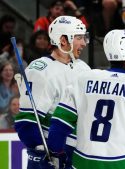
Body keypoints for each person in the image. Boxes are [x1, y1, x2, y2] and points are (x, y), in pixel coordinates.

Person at [46, 29, 125, 169]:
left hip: (83, 163)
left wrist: (57, 153)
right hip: (124, 164)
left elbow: (58, 125)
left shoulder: (84, 79)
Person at [14, 15, 90, 169]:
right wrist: (41, 150)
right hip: (52, 153)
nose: (84, 43)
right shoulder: (40, 70)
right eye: (79, 37)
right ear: (63, 40)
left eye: (84, 38)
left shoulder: (83, 68)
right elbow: (26, 121)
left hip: (78, 153)